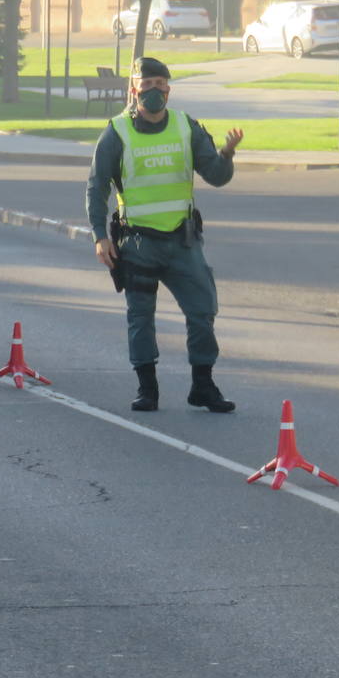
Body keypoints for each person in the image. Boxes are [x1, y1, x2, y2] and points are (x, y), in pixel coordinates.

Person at [85, 56, 243, 414]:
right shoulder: (116, 132)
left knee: (202, 310)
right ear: (133, 89)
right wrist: (99, 235)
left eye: (160, 84)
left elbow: (216, 176)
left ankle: (202, 386)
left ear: (169, 90)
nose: (154, 91)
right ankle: (148, 389)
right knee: (141, 317)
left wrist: (227, 154)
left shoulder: (186, 127)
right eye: (147, 84)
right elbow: (97, 187)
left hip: (181, 242)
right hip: (137, 243)